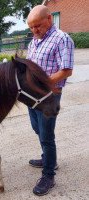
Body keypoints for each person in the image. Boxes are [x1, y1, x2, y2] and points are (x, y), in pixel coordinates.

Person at [26, 5, 74, 196]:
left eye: (37, 25)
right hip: (33, 95)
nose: (35, 30)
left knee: (46, 136)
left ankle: (49, 175)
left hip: (49, 96)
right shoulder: (35, 41)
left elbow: (66, 70)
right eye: (31, 27)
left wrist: (43, 84)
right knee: (37, 128)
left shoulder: (62, 39)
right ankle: (49, 159)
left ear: (49, 19)